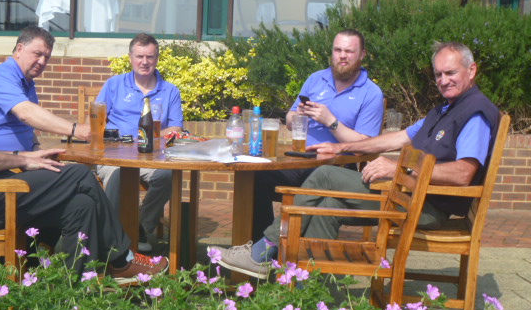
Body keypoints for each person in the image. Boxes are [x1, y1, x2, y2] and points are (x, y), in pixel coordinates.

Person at [0, 21, 168, 281]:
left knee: (82, 205)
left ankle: (68, 286)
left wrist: (27, 156)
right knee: (79, 176)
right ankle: (121, 260)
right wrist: (24, 158)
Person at [212, 41, 499, 279]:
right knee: (327, 206)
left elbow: (463, 173)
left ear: (472, 70)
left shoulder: (474, 113)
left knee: (324, 176)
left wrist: (398, 169)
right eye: (438, 74)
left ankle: (261, 253)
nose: (443, 80)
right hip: (408, 194)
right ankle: (307, 293)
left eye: (450, 73)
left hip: (426, 206)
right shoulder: (444, 110)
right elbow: (396, 139)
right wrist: (341, 148)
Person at [251, 29, 384, 240]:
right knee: (254, 178)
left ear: (362, 55)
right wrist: (299, 115)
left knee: (318, 180)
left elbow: (365, 145)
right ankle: (259, 246)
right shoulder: (316, 79)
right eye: (337, 50)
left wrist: (331, 121)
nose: (342, 56)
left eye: (349, 51)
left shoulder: (371, 93)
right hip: (299, 160)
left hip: (336, 166)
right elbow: (289, 121)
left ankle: (282, 246)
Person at [95, 33, 184, 251]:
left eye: (150, 57)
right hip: (115, 156)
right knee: (119, 174)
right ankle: (112, 239)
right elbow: (97, 120)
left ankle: (140, 227)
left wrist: (149, 137)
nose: (145, 62)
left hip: (151, 157)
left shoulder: (170, 90)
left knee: (168, 175)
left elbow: (176, 129)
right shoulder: (114, 84)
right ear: (130, 58)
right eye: (140, 56)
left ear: (157, 59)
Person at [0, 26, 91, 152]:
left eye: (47, 57)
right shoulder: (0, 76)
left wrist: (36, 148)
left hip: (20, 158)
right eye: (38, 54)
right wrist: (76, 129)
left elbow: (26, 126)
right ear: (20, 49)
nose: (42, 62)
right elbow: (26, 114)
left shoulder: (27, 83)